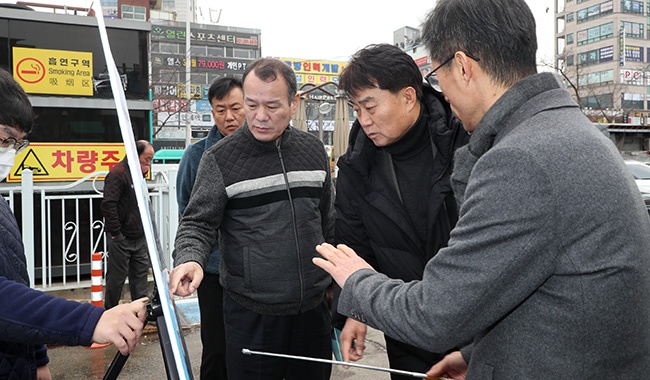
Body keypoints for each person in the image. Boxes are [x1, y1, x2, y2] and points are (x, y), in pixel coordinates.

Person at [313, 0, 650, 379]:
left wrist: (356, 282)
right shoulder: (568, 131)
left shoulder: (519, 160)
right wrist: (478, 353)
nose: (443, 95)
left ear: (462, 66)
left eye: (439, 77)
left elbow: (435, 313)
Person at [170, 58, 335, 380]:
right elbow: (197, 222)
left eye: (272, 106)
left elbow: (329, 221)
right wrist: (190, 258)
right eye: (252, 104)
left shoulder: (314, 151)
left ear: (294, 102)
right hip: (251, 314)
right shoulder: (218, 158)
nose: (260, 116)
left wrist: (340, 289)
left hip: (312, 310)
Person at [0, 68, 147, 380]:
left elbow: (16, 282)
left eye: (18, 144)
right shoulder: (117, 174)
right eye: (5, 139)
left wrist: (39, 359)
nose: (10, 153)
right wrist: (91, 321)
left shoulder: (1, 204)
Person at [333, 43, 467, 379]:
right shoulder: (357, 166)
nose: (363, 120)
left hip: (474, 325)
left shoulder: (465, 143)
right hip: (407, 332)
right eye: (356, 110)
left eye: (371, 107)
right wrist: (356, 310)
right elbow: (354, 245)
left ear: (409, 97)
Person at [176, 77, 245, 380]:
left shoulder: (261, 149)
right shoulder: (197, 155)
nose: (228, 117)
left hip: (254, 272)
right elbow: (188, 211)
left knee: (250, 349)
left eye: (235, 108)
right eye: (220, 110)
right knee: (216, 348)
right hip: (214, 271)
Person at [101, 139, 154, 309]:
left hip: (138, 235)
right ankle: (110, 312)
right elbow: (109, 204)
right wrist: (116, 232)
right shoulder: (118, 173)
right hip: (121, 236)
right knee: (116, 278)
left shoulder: (138, 173)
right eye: (147, 158)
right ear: (135, 154)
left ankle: (141, 313)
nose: (148, 163)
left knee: (140, 278)